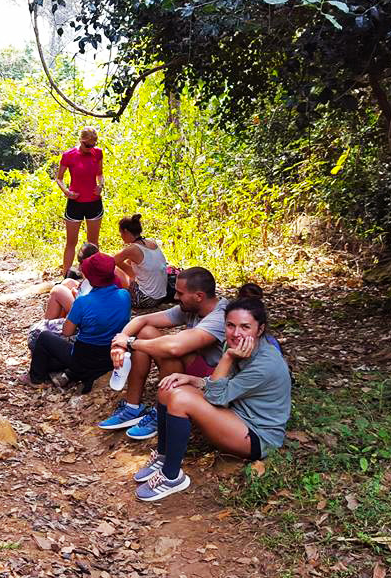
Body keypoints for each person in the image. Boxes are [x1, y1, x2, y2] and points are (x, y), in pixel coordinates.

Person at [131, 295, 291, 501]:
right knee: (168, 387)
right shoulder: (233, 345)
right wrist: (190, 378)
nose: (236, 333)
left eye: (245, 327)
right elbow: (223, 383)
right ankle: (163, 457)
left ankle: (172, 477)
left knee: (180, 399)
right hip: (235, 412)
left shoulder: (265, 364)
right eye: (230, 325)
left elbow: (216, 397)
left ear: (259, 330)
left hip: (258, 435)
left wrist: (227, 358)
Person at [98, 267, 227, 440]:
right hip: (196, 366)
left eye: (180, 293)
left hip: (215, 380)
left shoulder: (221, 316)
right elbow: (142, 319)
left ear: (199, 296)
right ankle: (132, 407)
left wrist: (130, 342)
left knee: (168, 350)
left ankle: (163, 412)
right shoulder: (191, 308)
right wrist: (120, 343)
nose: (175, 297)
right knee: (146, 332)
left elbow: (176, 347)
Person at [20, 253, 131, 392]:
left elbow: (67, 331)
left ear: (90, 278)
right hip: (109, 357)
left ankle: (36, 379)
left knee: (44, 337)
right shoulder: (124, 295)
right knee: (52, 358)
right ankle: (65, 373)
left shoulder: (83, 302)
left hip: (83, 360)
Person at [56, 127, 104, 278]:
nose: (91, 148)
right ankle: (66, 277)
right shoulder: (69, 155)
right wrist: (67, 192)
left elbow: (100, 174)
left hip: (93, 203)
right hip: (75, 203)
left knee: (93, 242)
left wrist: (100, 185)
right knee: (71, 242)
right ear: (81, 141)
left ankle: (95, 276)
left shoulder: (97, 152)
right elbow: (59, 178)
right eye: (87, 145)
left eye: (93, 144)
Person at [113, 214, 168, 309]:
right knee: (126, 264)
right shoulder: (151, 241)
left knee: (114, 268)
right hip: (161, 296)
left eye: (121, 233)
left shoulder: (132, 249)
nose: (121, 236)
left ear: (125, 231)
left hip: (145, 299)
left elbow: (109, 262)